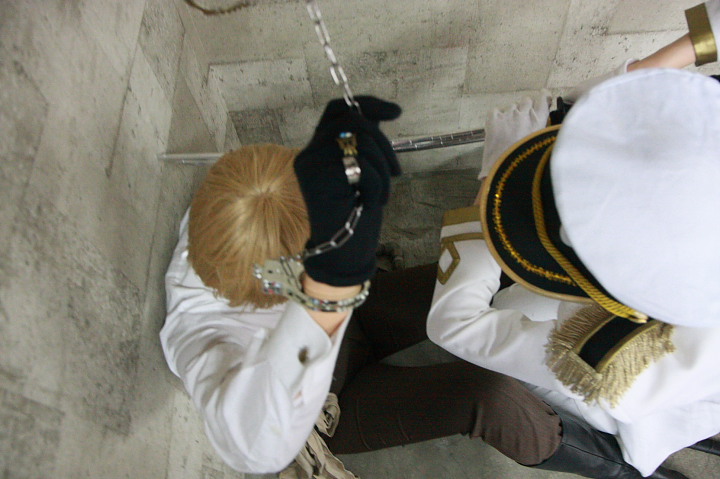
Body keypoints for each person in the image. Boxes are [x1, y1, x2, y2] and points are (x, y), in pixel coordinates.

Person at [160, 96, 571, 478]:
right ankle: (599, 456)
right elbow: (259, 448)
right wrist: (330, 288)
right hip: (332, 403)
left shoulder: (239, 203)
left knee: (496, 272)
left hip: (356, 314)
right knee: (490, 395)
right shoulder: (201, 340)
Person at [427, 2, 720, 478]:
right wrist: (695, 42)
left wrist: (489, 187)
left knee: (508, 315)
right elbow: (657, 126)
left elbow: (455, 326)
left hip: (642, 392)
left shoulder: (617, 357)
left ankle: (621, 466)